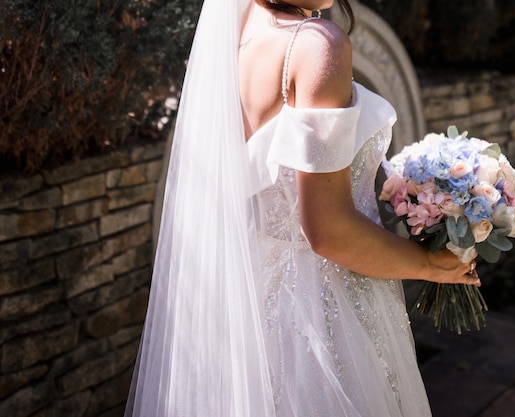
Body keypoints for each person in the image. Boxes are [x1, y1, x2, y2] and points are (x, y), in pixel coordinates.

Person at [124, 1, 480, 416]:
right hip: (324, 316)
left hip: (248, 311)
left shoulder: (239, 32)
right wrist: (433, 265)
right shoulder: (318, 47)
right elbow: (329, 231)